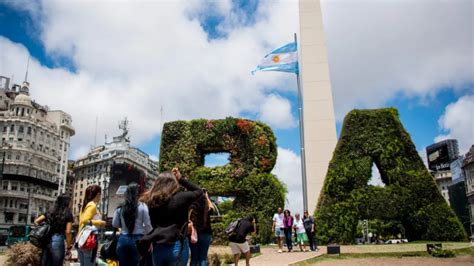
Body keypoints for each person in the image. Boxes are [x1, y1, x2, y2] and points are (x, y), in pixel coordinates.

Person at [142, 168, 203, 266]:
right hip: (177, 244)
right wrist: (181, 179)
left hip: (158, 244)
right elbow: (199, 191)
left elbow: (152, 223)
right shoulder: (181, 198)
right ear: (173, 183)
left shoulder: (151, 200)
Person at [112, 183, 153, 266]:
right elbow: (148, 225)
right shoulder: (143, 206)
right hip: (138, 240)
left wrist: (123, 226)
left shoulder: (120, 207)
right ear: (137, 193)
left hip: (122, 239)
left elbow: (115, 224)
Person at [34, 195, 73, 266]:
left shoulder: (51, 211)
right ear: (66, 202)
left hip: (46, 240)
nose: (71, 203)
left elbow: (36, 221)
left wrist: (44, 228)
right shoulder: (68, 213)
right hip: (58, 239)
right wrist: (69, 247)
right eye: (70, 201)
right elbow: (68, 232)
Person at [78, 185, 106, 266]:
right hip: (89, 240)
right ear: (97, 194)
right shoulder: (92, 205)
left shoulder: (85, 205)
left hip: (82, 240)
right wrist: (100, 222)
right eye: (100, 194)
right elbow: (85, 220)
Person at [188, 189, 215, 266]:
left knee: (194, 257)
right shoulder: (206, 206)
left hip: (193, 234)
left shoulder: (191, 206)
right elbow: (212, 209)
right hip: (206, 233)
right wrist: (207, 197)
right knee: (203, 258)